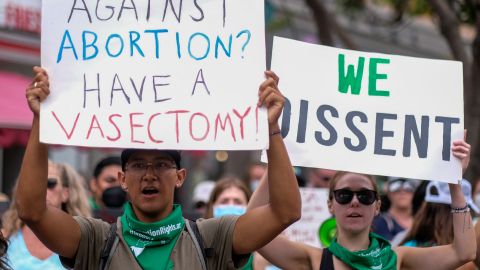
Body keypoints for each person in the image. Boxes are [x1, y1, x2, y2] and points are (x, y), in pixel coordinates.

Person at [16, 67, 301, 270]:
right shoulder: (96, 240)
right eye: (138, 165)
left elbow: (285, 212)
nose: (150, 174)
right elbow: (31, 210)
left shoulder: (213, 237)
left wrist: (271, 129)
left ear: (180, 177)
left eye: (162, 165)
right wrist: (41, 120)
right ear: (123, 179)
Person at [247, 134, 476, 270]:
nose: (354, 202)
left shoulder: (396, 260)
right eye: (344, 195)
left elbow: (463, 253)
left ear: (377, 206)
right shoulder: (314, 260)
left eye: (365, 196)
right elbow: (251, 232)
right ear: (331, 205)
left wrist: (454, 182)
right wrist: (277, 158)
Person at [3, 161, 91, 269]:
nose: (41, 190)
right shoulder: (6, 237)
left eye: (50, 184)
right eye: (34, 183)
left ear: (65, 193)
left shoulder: (84, 242)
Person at [89, 156, 126, 223]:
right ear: (94, 184)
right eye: (110, 180)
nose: (117, 185)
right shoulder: (81, 211)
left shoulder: (137, 215)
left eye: (123, 181)